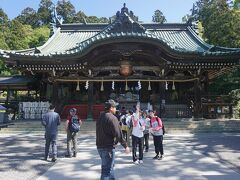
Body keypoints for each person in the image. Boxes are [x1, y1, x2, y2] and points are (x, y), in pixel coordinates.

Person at [96, 99, 130, 180]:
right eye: (115, 107)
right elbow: (118, 133)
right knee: (106, 171)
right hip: (108, 148)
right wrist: (125, 146)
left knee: (110, 168)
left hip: (100, 146)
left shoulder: (100, 116)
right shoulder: (112, 118)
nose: (116, 109)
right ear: (111, 108)